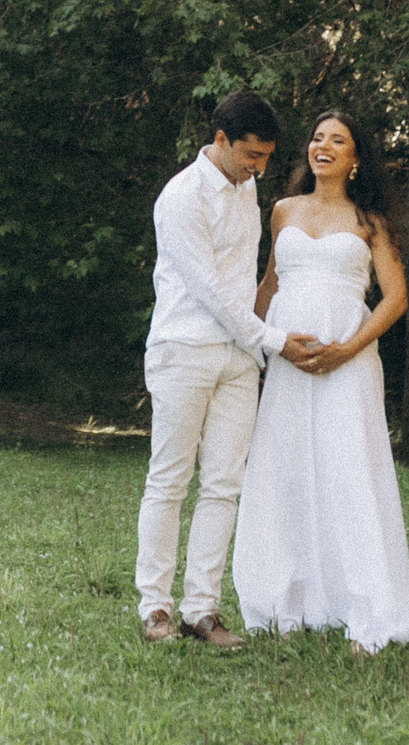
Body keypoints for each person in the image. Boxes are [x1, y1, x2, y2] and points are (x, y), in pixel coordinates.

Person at [135, 90, 333, 649]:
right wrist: (273, 341)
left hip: (239, 358)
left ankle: (202, 609)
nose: (261, 168)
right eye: (252, 155)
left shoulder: (247, 188)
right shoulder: (180, 197)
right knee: (170, 479)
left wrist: (257, 347)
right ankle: (155, 608)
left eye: (268, 158)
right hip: (185, 349)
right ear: (220, 140)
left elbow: (249, 281)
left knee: (224, 484)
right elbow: (213, 293)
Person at [231, 107, 409, 653]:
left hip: (350, 363)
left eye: (337, 140)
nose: (323, 146)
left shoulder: (370, 223)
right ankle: (282, 603)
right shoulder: (282, 210)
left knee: (350, 472)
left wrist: (348, 349)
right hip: (288, 363)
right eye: (317, 138)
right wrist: (254, 345)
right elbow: (269, 286)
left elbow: (396, 298)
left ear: (356, 157)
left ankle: (368, 609)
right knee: (283, 470)